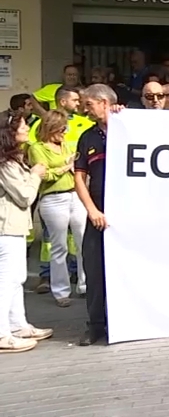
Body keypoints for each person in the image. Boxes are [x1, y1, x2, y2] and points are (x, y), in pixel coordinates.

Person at [0, 111, 53, 353]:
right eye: (22, 126)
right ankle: (2, 334)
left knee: (17, 277)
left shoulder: (13, 160)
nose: (26, 130)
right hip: (6, 227)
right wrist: (35, 176)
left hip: (15, 226)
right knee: (7, 280)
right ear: (10, 133)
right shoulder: (5, 164)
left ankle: (18, 325)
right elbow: (24, 196)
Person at [27, 110, 88, 308]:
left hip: (75, 195)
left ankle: (84, 284)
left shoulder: (68, 145)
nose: (65, 132)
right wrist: (65, 168)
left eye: (65, 128)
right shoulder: (37, 148)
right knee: (58, 246)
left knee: (82, 241)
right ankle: (61, 291)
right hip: (53, 199)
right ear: (50, 128)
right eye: (61, 129)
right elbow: (42, 174)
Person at [74, 84, 116, 346]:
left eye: (88, 104)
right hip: (98, 214)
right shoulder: (87, 136)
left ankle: (120, 322)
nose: (85, 109)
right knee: (94, 268)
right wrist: (91, 210)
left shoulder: (130, 128)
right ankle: (95, 325)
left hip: (128, 213)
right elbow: (79, 176)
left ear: (103, 102)